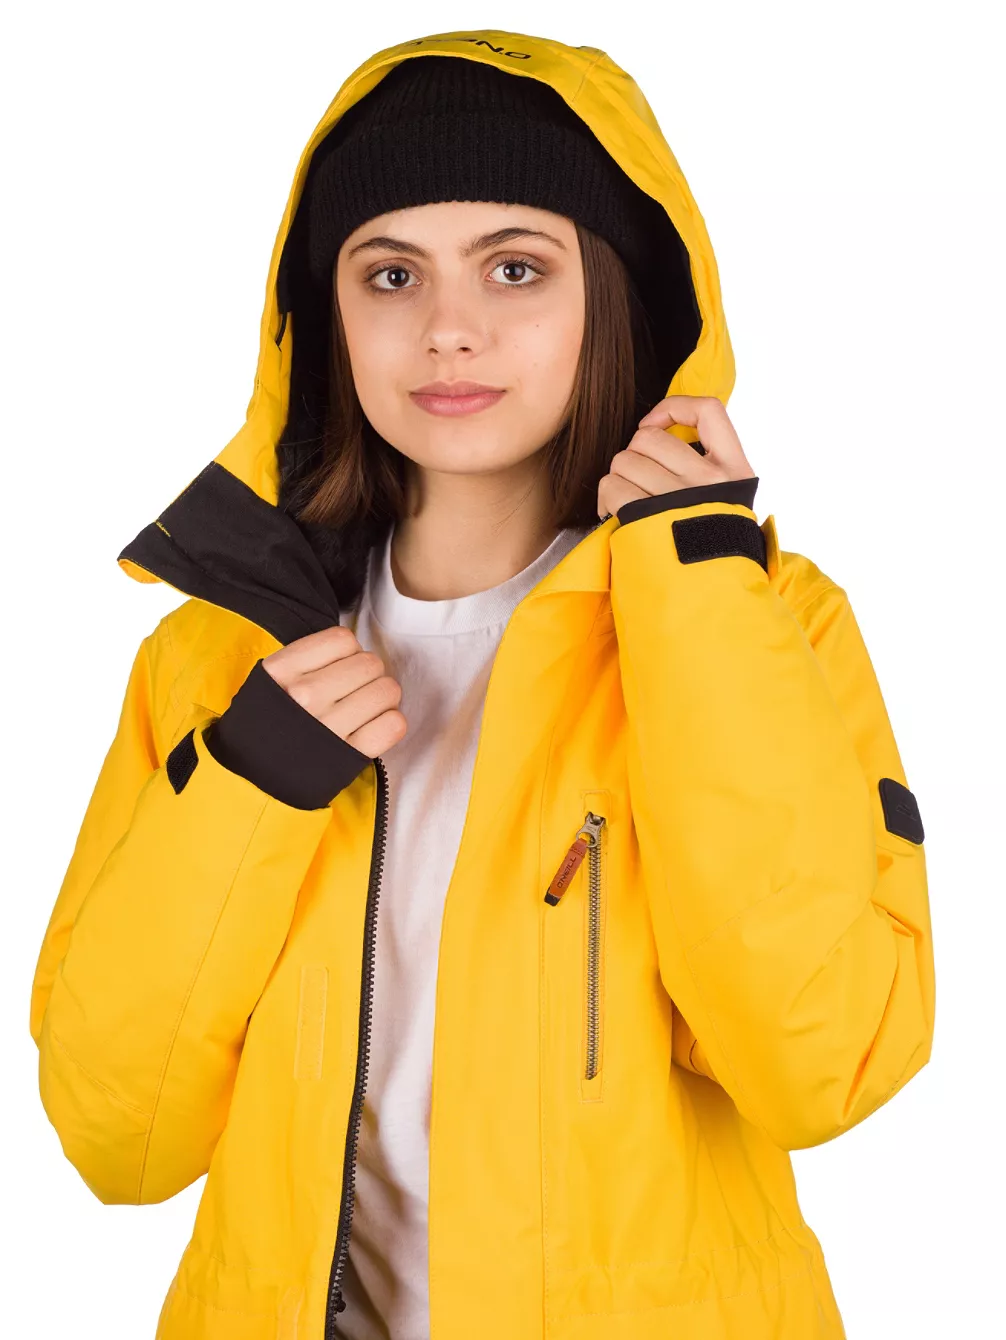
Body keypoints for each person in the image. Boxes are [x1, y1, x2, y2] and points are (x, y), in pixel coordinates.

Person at [28, 29, 935, 1340]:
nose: (447, 328)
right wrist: (246, 786)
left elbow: (822, 1065)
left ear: (612, 296)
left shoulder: (766, 623)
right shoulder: (216, 663)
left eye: (516, 267)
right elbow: (119, 1138)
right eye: (389, 273)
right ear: (327, 320)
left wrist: (693, 598)